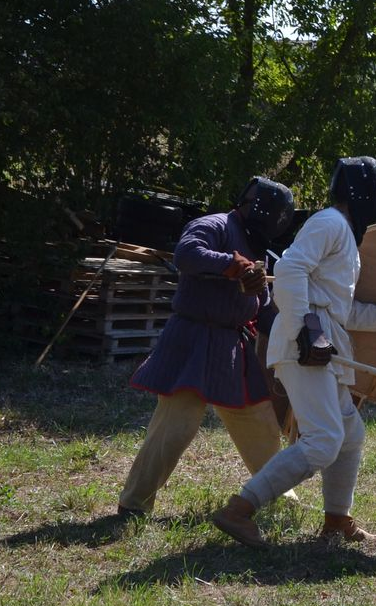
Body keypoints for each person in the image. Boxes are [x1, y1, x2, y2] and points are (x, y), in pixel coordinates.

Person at [211, 156, 376, 548]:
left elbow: (342, 310)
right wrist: (306, 330)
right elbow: (290, 271)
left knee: (349, 434)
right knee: (324, 439)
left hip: (322, 342)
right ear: (368, 196)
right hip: (305, 344)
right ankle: (238, 510)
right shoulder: (330, 223)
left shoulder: (344, 238)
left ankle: (337, 521)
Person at [117, 178, 297, 516]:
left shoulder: (258, 247)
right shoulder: (213, 225)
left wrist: (296, 338)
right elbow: (186, 254)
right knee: (175, 428)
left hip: (231, 348)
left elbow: (262, 308)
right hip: (193, 340)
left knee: (260, 425)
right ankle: (134, 504)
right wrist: (233, 265)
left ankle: (279, 498)